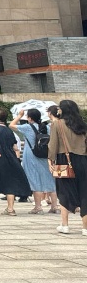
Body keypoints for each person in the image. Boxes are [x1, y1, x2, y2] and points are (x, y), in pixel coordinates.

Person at [48, 100, 87, 235]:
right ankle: (85, 227)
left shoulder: (57, 124)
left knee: (64, 191)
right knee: (84, 192)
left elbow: (52, 144)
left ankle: (65, 225)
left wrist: (50, 160)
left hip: (64, 160)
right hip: (83, 160)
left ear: (62, 110)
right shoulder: (82, 125)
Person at [10, 108, 58, 214]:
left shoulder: (27, 127)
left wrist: (19, 115)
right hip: (45, 156)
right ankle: (55, 206)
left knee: (35, 181)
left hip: (31, 156)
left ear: (30, 118)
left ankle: (38, 207)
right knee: (50, 180)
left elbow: (11, 125)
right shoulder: (46, 127)